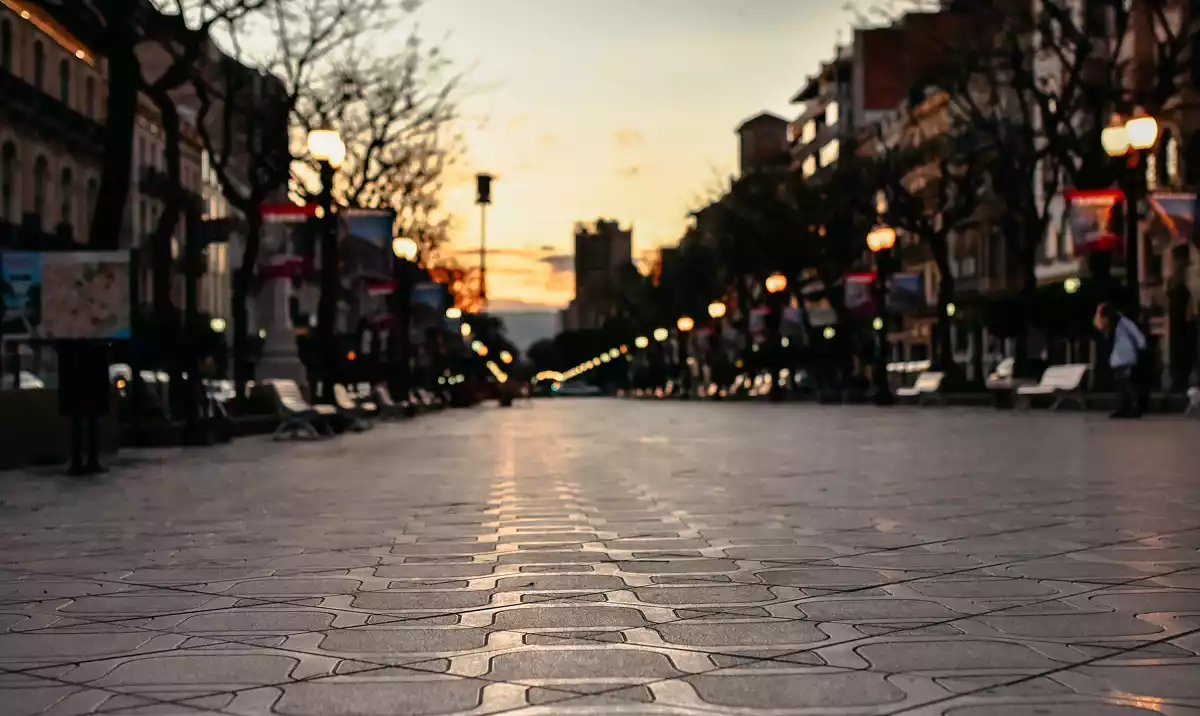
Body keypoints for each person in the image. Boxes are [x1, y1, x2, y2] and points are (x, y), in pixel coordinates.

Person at [1095, 302, 1146, 419]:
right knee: (1120, 382)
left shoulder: (1122, 322)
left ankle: (1133, 406)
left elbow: (1136, 334)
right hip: (1118, 357)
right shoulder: (1112, 325)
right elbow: (1099, 325)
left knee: (1124, 381)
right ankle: (1125, 407)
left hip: (1126, 355)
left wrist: (1142, 346)